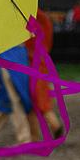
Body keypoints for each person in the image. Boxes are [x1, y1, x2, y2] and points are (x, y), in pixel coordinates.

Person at [0, 44, 39, 146]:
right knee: (11, 99)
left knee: (13, 100)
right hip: (11, 57)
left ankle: (24, 139)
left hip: (10, 57)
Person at [24, 9, 63, 139]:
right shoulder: (46, 23)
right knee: (40, 100)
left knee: (36, 103)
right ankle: (49, 128)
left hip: (33, 66)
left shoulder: (31, 23)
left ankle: (54, 126)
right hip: (42, 65)